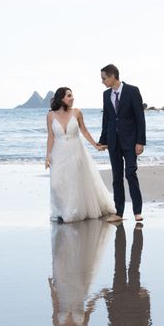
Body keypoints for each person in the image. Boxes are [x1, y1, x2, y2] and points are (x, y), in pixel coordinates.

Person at [46, 87, 116, 222]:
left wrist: (96, 145)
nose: (72, 98)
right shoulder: (50, 115)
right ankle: (62, 209)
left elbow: (84, 131)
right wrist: (47, 156)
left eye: (72, 96)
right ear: (61, 98)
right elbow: (50, 137)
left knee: (74, 181)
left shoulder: (77, 113)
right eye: (69, 96)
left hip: (76, 150)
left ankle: (72, 212)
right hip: (58, 152)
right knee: (56, 183)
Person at [98, 64, 146, 222]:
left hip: (130, 141)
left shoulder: (132, 91)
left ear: (112, 77)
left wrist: (140, 141)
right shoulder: (106, 95)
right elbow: (107, 119)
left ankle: (137, 211)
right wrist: (103, 140)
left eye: (104, 78)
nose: (103, 82)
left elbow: (140, 118)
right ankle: (119, 213)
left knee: (131, 173)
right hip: (113, 142)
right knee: (116, 177)